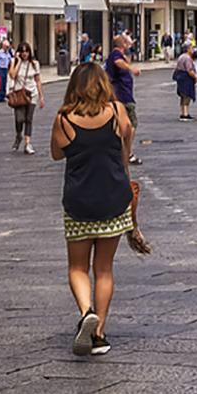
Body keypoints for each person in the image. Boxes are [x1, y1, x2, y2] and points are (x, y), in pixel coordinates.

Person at [51, 63, 135, 358]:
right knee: (104, 269)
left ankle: (87, 311)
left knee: (77, 267)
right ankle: (99, 334)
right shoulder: (116, 111)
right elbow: (127, 142)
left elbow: (56, 152)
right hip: (113, 198)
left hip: (79, 201)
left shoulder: (64, 118)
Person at [8, 43, 46, 154]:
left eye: (26, 51)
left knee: (29, 119)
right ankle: (18, 135)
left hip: (31, 94)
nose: (25, 54)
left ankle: (28, 143)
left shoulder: (35, 64)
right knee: (19, 119)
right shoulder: (14, 62)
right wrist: (18, 61)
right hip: (19, 94)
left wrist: (41, 96)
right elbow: (12, 75)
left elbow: (38, 80)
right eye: (22, 51)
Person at [172, 45, 197, 120]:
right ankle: (185, 114)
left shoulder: (181, 57)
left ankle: (182, 112)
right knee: (187, 95)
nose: (193, 50)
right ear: (188, 49)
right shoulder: (187, 58)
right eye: (192, 48)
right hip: (186, 78)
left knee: (182, 95)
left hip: (180, 78)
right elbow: (189, 70)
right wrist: (196, 77)